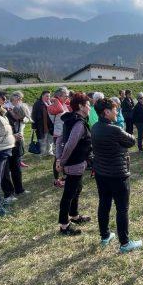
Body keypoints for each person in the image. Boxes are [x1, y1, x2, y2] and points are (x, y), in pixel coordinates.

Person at [91, 98, 143, 250]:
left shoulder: (95, 127)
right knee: (122, 208)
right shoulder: (115, 130)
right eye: (115, 109)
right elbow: (131, 141)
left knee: (104, 203)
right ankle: (125, 243)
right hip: (118, 174)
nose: (117, 112)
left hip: (101, 173)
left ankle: (105, 235)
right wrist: (120, 133)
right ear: (106, 112)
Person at [56, 92, 94, 235]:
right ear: (81, 106)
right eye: (88, 105)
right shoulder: (78, 123)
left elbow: (60, 140)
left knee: (77, 189)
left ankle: (74, 215)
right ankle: (64, 225)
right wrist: (61, 161)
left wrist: (59, 158)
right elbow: (69, 144)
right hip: (74, 163)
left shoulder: (71, 119)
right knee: (69, 194)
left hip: (77, 163)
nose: (89, 107)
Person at [2, 92, 30, 203]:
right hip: (6, 147)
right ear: (15, 112)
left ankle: (19, 189)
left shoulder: (20, 117)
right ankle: (8, 194)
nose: (21, 119)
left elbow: (23, 121)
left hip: (16, 146)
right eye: (20, 117)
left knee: (17, 169)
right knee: (5, 172)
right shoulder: (5, 117)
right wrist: (13, 136)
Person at [48, 87, 70, 188]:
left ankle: (64, 177)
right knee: (58, 157)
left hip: (65, 134)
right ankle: (56, 180)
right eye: (65, 95)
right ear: (59, 96)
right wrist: (56, 100)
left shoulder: (63, 104)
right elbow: (60, 110)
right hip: (59, 135)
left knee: (66, 155)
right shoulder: (53, 106)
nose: (67, 97)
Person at [31, 90, 53, 156]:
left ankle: (49, 152)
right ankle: (42, 153)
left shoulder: (50, 103)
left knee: (50, 139)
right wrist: (34, 126)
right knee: (42, 139)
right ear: (42, 96)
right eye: (47, 96)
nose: (48, 97)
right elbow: (33, 115)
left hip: (50, 125)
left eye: (49, 96)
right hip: (40, 125)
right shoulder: (37, 104)